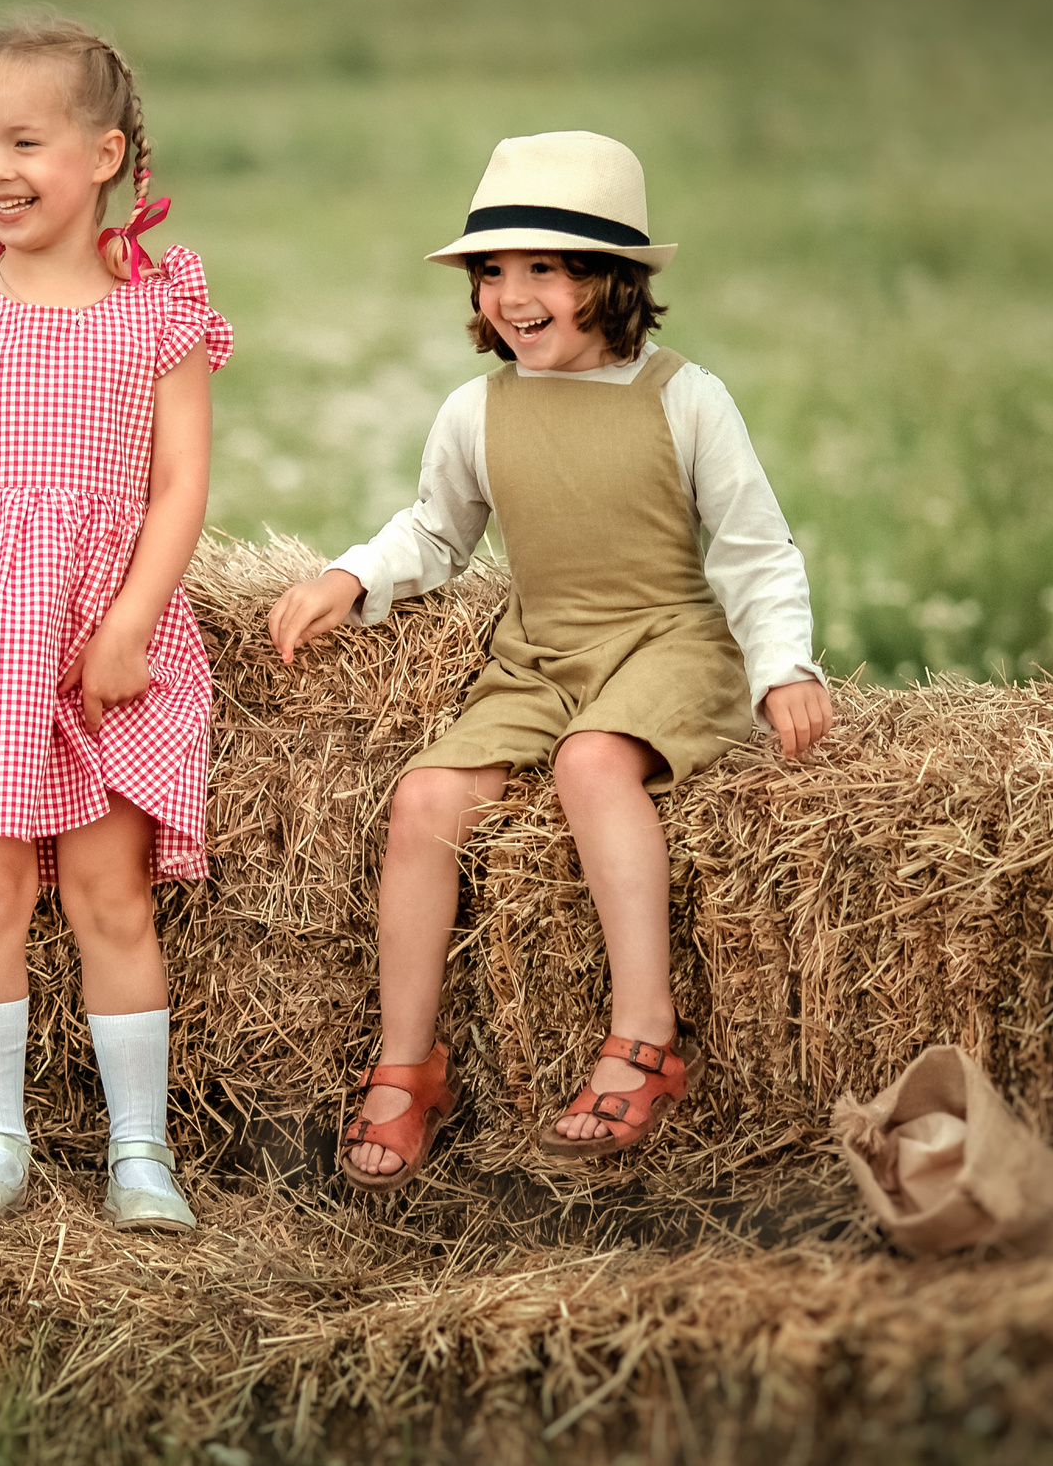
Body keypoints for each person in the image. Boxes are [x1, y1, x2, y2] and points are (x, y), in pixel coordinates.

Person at [268, 132, 829, 1187]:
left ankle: (644, 1037)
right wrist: (351, 576)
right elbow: (436, 532)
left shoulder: (684, 397)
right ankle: (405, 1066)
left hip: (667, 639)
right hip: (542, 650)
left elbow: (753, 550)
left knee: (590, 764)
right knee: (426, 797)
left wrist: (782, 669)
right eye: (491, 271)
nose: (511, 296)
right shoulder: (475, 411)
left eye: (544, 270)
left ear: (611, 281)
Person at [0, 14, 233, 1232]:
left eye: (25, 140)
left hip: (97, 645)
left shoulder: (160, 311)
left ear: (105, 155)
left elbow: (180, 484)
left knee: (108, 893)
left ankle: (142, 1153)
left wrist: (132, 620)